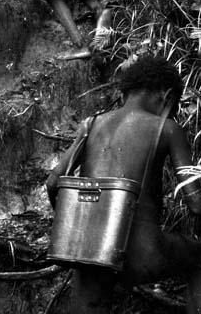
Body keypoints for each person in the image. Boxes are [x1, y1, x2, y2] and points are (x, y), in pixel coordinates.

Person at [46, 55, 201, 314]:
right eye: (172, 105)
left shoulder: (91, 124)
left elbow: (53, 183)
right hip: (142, 253)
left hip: (91, 253)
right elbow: (195, 202)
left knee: (90, 299)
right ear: (166, 95)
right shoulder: (167, 128)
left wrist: (74, 225)